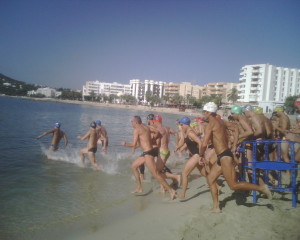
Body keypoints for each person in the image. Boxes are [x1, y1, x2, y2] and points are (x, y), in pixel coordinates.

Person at [200, 102, 272, 213]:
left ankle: (261, 188)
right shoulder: (221, 121)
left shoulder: (211, 123)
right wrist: (233, 146)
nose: (203, 114)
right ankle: (216, 207)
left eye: (204, 112)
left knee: (233, 185)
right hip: (223, 155)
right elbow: (235, 128)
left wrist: (201, 155)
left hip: (225, 157)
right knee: (210, 179)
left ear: (209, 112)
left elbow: (204, 143)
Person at [121, 116, 176, 200]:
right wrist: (152, 139)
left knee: (156, 174)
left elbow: (134, 144)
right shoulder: (146, 126)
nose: (131, 123)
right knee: (134, 166)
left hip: (148, 153)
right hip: (152, 150)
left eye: (131, 121)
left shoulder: (137, 130)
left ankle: (171, 190)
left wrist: (125, 144)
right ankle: (139, 188)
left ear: (135, 122)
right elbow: (157, 132)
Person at [174, 116, 209, 199]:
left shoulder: (190, 133)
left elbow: (200, 143)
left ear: (186, 124)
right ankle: (216, 186)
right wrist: (177, 147)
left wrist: (201, 156)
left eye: (181, 125)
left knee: (184, 173)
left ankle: (183, 193)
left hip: (197, 155)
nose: (180, 126)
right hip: (194, 155)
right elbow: (182, 140)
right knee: (204, 173)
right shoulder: (185, 131)